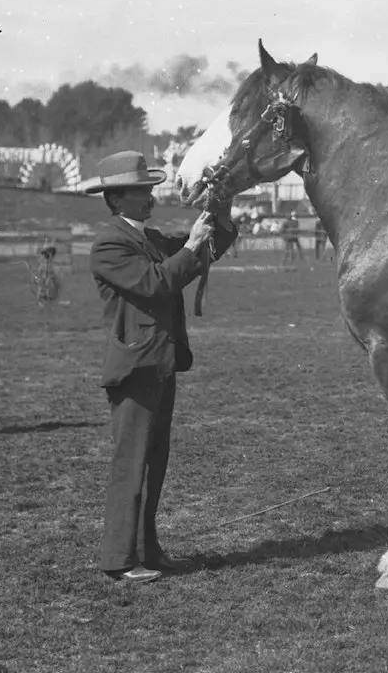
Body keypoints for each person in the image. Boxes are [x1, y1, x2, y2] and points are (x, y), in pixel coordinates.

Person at [86, 151, 238, 584]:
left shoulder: (147, 237)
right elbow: (157, 282)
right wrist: (190, 245)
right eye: (141, 191)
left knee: (153, 466)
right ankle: (119, 558)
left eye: (149, 189)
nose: (150, 197)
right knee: (132, 463)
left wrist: (219, 210)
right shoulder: (110, 245)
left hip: (160, 362)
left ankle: (147, 553)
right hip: (136, 366)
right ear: (117, 199)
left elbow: (203, 253)